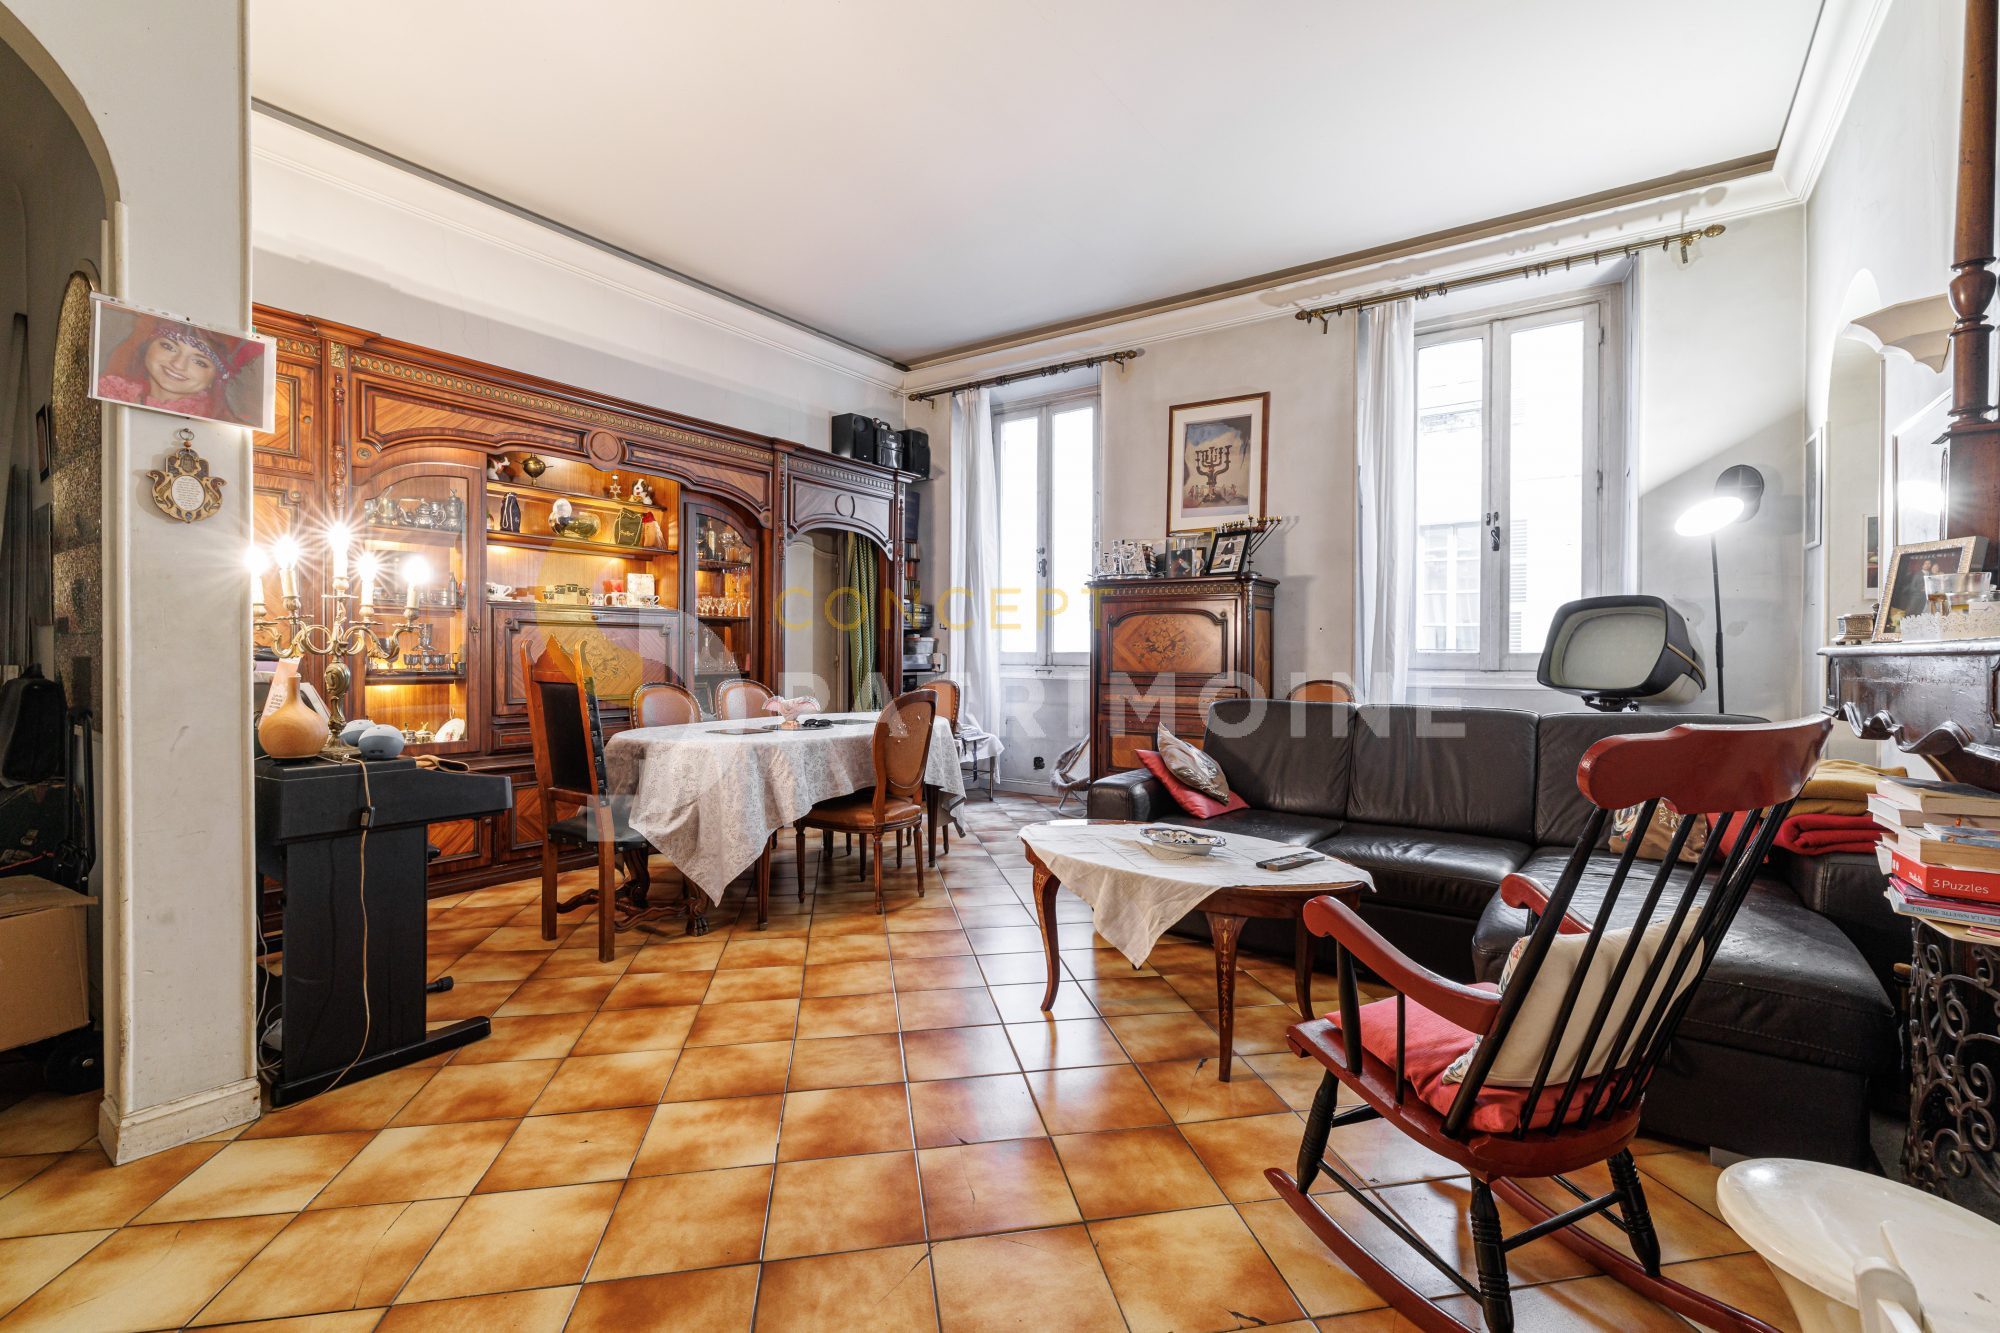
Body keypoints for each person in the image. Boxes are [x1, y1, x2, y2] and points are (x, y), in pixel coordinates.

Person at [96, 315, 260, 423]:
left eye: (199, 362)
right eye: (168, 347)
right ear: (148, 346)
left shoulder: (213, 423)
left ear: (216, 377)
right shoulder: (109, 390)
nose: (178, 364)